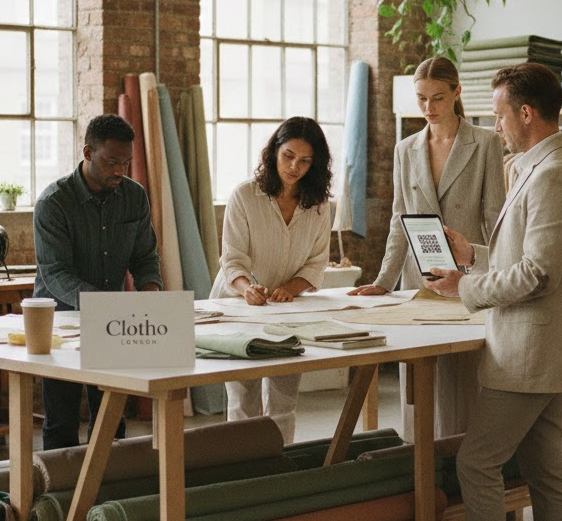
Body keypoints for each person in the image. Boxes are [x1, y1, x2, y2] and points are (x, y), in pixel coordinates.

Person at [411, 63, 562, 521]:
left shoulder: (554, 173)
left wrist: (465, 288)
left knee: (477, 463)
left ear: (526, 113)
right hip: (539, 350)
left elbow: (538, 273)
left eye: (499, 113)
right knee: (545, 472)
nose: (496, 123)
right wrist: (475, 256)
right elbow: (525, 258)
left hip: (527, 352)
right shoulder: (543, 167)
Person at [349, 55, 505, 438]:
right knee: (417, 392)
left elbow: (497, 220)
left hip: (466, 281)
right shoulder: (406, 149)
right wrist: (384, 281)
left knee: (461, 390)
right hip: (416, 282)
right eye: (421, 99)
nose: (428, 108)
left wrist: (489, 272)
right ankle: (416, 470)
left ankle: (460, 476)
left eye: (437, 98)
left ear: (456, 93)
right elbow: (399, 220)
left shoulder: (486, 143)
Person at [33, 114, 162, 449]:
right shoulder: (54, 203)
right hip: (62, 322)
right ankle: (59, 496)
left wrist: (150, 294)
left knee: (111, 415)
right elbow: (56, 272)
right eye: (111, 161)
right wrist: (105, 305)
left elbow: (145, 257)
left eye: (126, 162)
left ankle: (106, 491)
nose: (120, 170)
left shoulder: (134, 197)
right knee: (61, 420)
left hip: (114, 323)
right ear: (88, 152)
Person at [209, 116, 332, 443]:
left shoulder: (319, 206)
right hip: (237, 304)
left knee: (284, 398)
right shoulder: (245, 196)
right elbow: (232, 257)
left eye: (305, 161)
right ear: (273, 152)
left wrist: (289, 290)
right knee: (243, 399)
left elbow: (317, 261)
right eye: (288, 155)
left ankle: (280, 470)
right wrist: (248, 287)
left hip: (286, 309)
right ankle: (242, 475)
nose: (295, 166)